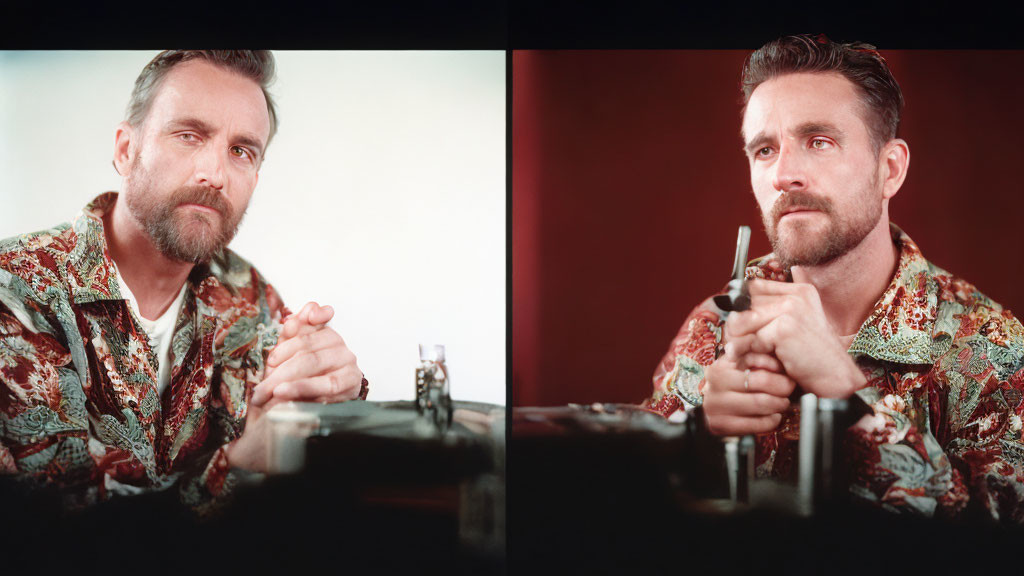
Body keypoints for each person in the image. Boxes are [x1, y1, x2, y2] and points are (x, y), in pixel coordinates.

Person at [645, 34, 1024, 522]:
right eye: (764, 150)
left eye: (818, 142)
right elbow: (628, 517)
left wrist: (847, 393)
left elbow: (992, 546)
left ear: (889, 170)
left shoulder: (992, 348)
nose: (784, 174)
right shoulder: (712, 327)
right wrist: (698, 432)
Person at [0, 51, 367, 515]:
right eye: (189, 135)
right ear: (125, 150)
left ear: (255, 175)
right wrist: (237, 466)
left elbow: (305, 475)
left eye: (240, 151)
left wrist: (336, 396)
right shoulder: (16, 290)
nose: (214, 175)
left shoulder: (249, 296)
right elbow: (60, 524)